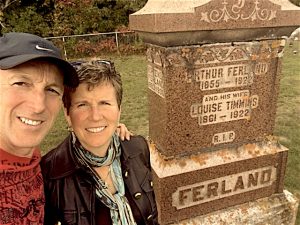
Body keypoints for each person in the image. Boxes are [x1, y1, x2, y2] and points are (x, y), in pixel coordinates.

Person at [0, 32, 130, 225]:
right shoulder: (51, 172)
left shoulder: (33, 162)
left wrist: (107, 129)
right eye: (20, 83)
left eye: (51, 89)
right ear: (67, 114)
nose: (38, 106)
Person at [41, 60, 158, 225]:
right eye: (82, 105)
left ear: (119, 111)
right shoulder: (48, 175)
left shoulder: (138, 149)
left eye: (105, 103)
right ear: (67, 114)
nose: (95, 116)